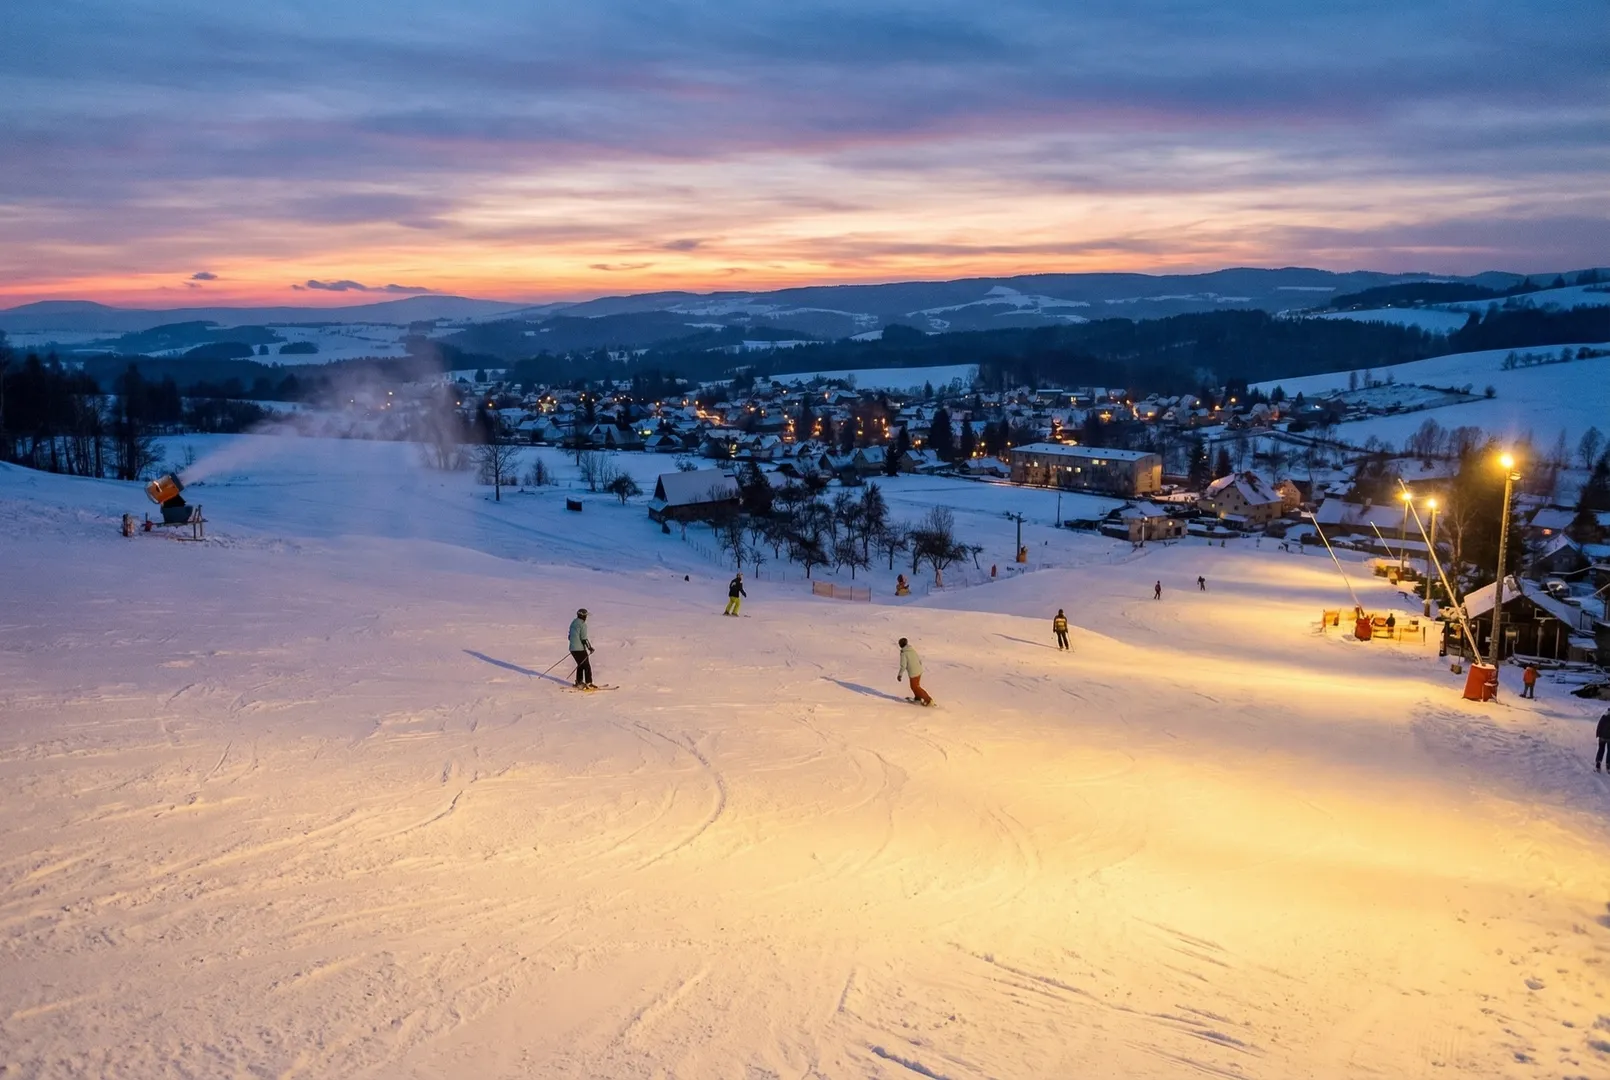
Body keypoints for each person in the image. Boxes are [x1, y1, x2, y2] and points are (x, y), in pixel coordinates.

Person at [897, 637, 933, 705]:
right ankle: (918, 698)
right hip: (919, 670)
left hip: (913, 672)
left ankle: (928, 700)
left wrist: (900, 675)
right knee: (915, 686)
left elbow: (903, 665)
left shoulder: (904, 653)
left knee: (915, 687)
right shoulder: (911, 649)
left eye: (899, 643)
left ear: (901, 644)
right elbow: (919, 659)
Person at [568, 608, 595, 688]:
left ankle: (579, 682)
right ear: (583, 616)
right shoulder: (582, 624)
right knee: (586, 665)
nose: (586, 617)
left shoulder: (573, 623)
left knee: (580, 664)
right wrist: (589, 648)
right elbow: (583, 638)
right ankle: (589, 683)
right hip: (580, 649)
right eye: (586, 616)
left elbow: (569, 637)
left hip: (572, 648)